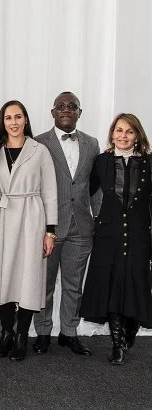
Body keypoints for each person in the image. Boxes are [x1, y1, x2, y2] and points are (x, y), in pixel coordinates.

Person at [0, 100, 58, 361]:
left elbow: (50, 192)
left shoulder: (40, 151)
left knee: (28, 278)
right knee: (3, 277)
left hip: (31, 218)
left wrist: (50, 232)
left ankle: (22, 336)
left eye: (18, 116)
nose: (13, 122)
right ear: (2, 122)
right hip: (1, 217)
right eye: (8, 118)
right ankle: (6, 334)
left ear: (26, 119)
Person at [80, 113, 152, 365]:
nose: (123, 136)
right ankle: (117, 343)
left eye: (129, 132)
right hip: (108, 235)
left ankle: (129, 332)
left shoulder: (149, 163)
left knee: (134, 285)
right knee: (112, 285)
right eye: (119, 130)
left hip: (139, 235)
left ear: (137, 136)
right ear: (112, 133)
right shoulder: (102, 161)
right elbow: (85, 192)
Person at [32, 92, 100, 356]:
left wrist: (98, 219)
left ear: (79, 113)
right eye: (61, 106)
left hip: (82, 228)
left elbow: (95, 187)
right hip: (49, 227)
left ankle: (69, 333)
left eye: (72, 107)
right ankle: (43, 332)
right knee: (44, 285)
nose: (66, 110)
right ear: (52, 112)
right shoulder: (38, 143)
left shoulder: (92, 144)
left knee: (74, 285)